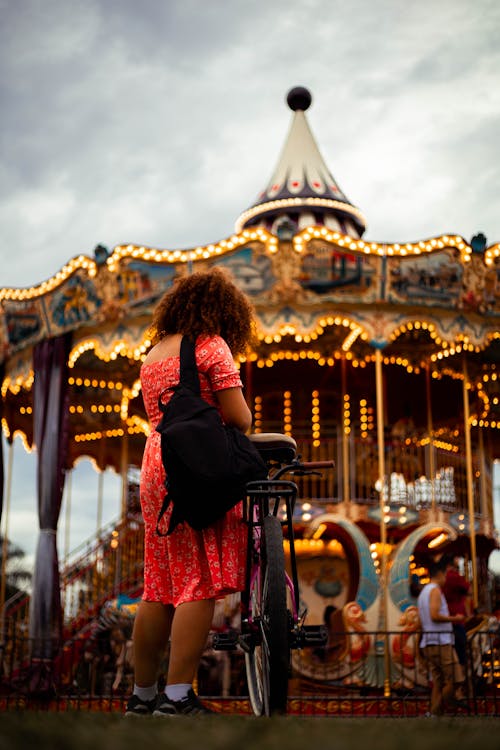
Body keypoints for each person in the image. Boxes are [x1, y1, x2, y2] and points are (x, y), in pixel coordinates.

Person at [125, 268, 255, 717]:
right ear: (223, 310)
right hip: (195, 462)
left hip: (156, 460)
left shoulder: (152, 354)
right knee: (198, 581)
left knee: (158, 585)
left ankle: (142, 695)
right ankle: (178, 694)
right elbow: (238, 418)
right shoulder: (210, 345)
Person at [417, 558, 468, 717]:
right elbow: (434, 615)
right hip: (441, 641)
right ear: (440, 574)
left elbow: (422, 620)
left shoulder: (423, 593)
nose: (446, 579)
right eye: (446, 575)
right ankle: (445, 705)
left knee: (438, 682)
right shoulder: (435, 591)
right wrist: (456, 619)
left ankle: (434, 713)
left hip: (429, 641)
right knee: (456, 678)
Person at [442, 555, 471, 667]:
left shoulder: (444, 577)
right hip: (456, 619)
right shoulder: (454, 576)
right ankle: (462, 677)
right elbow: (468, 590)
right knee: (461, 654)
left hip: (446, 618)